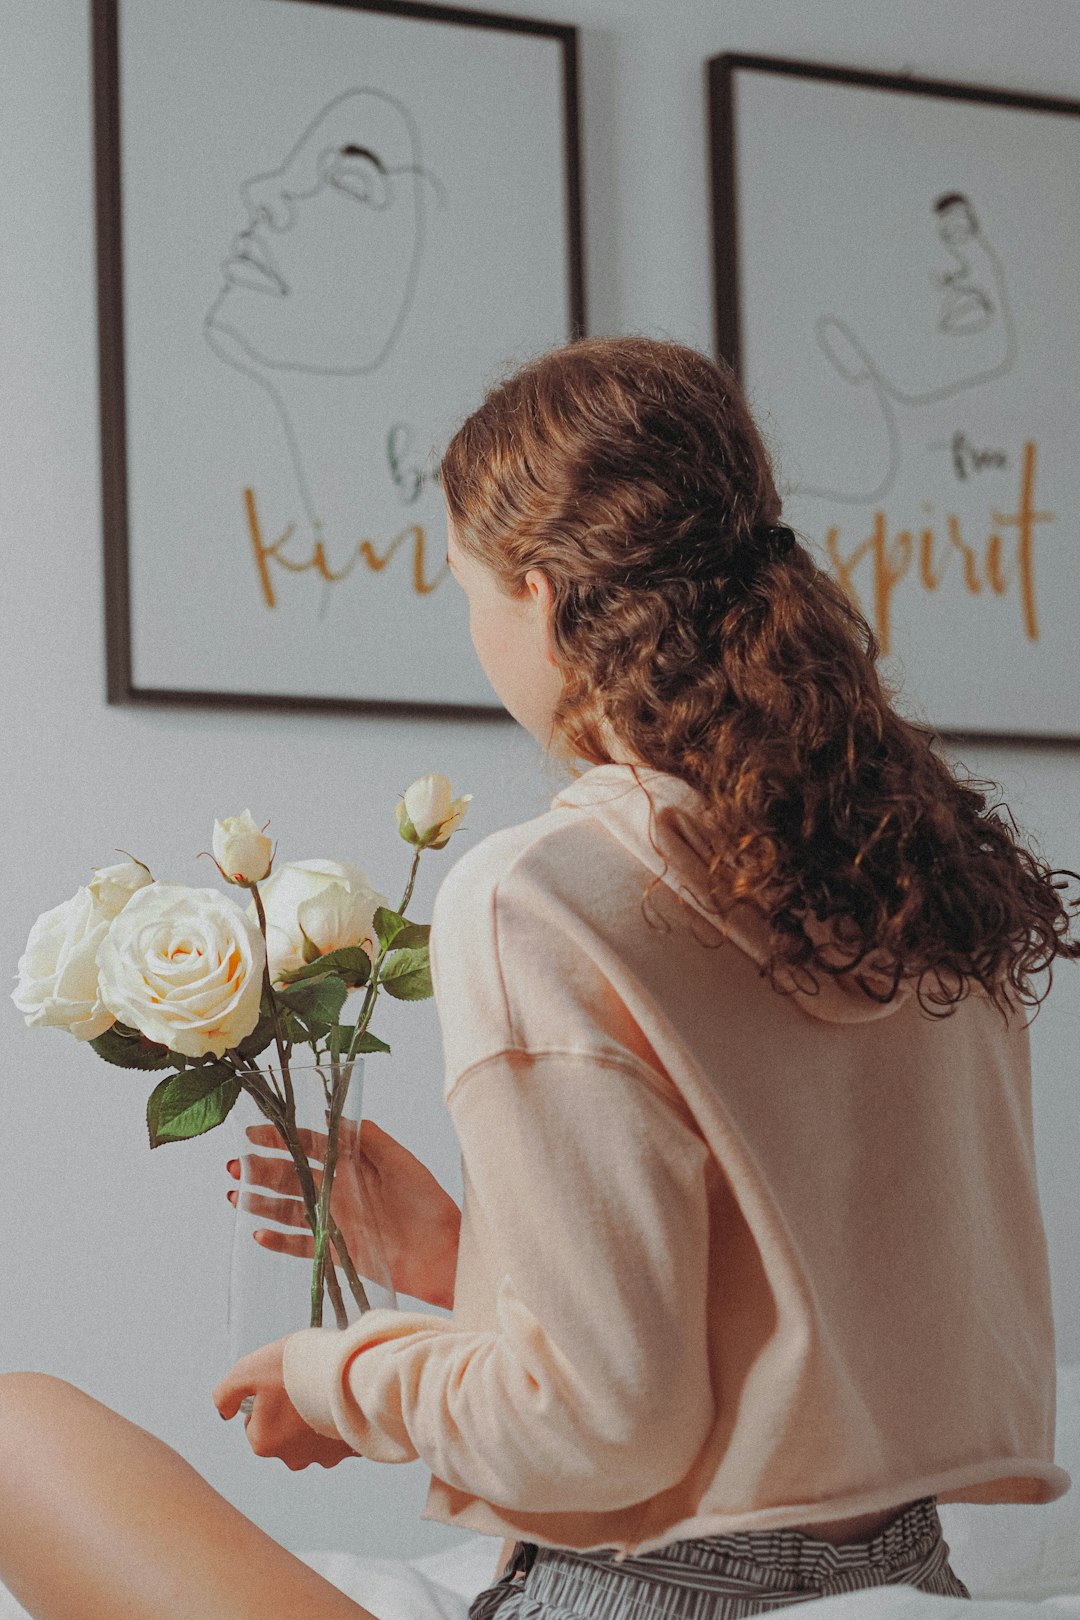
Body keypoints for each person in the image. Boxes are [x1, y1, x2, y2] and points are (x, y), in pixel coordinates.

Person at [0, 335, 1076, 1619]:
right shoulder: (907, 861)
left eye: (464, 589)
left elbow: (602, 1435)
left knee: (15, 1430)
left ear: (547, 594)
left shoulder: (536, 892)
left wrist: (346, 1373)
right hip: (909, 1567)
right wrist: (467, 1261)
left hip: (650, 1598)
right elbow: (813, 1351)